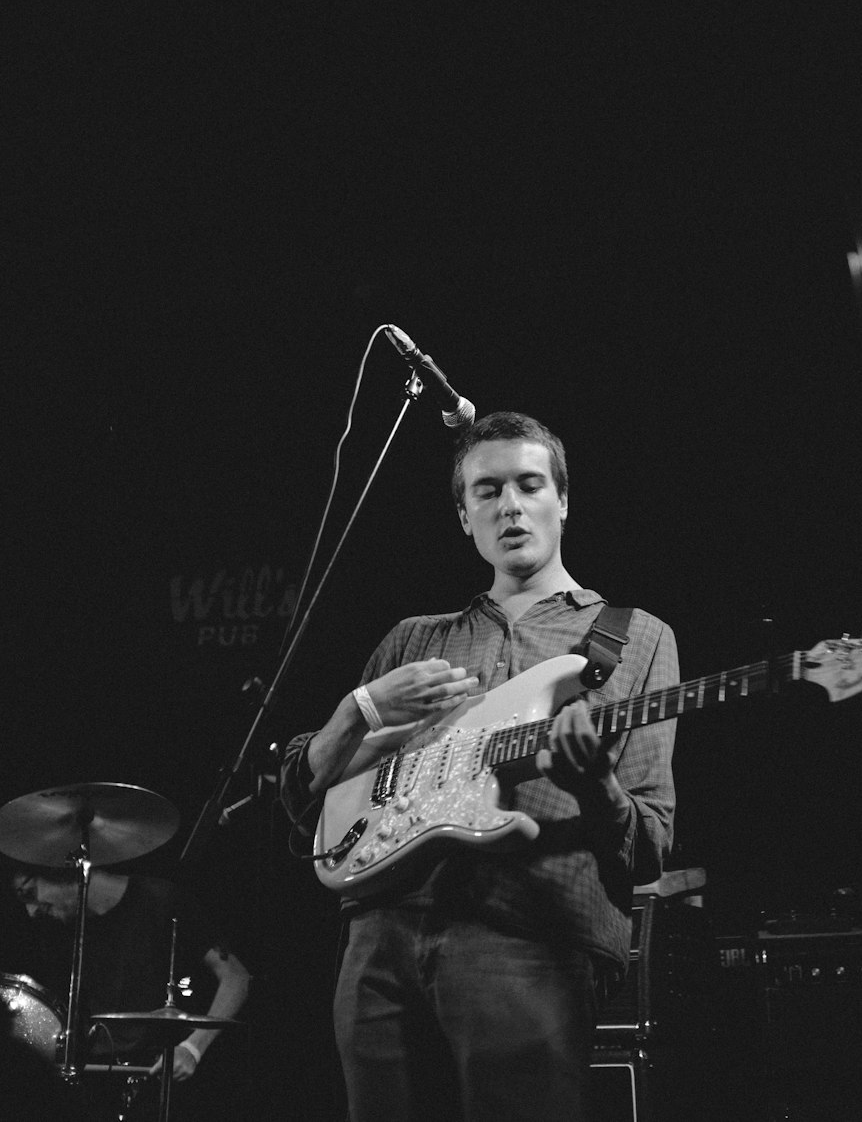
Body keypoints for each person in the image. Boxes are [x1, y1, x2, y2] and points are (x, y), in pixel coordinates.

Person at [281, 410, 678, 1122]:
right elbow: (310, 801)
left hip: (529, 934)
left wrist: (598, 786)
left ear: (562, 499)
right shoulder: (412, 640)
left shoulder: (633, 637)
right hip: (380, 933)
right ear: (465, 516)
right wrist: (360, 707)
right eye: (487, 490)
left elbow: (649, 842)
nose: (510, 505)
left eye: (528, 484)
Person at [3, 863, 251, 1117]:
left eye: (29, 893)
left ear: (64, 872)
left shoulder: (161, 900)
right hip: (94, 1083)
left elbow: (236, 977)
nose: (31, 911)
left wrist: (192, 1049)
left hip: (163, 1080)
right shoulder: (60, 929)